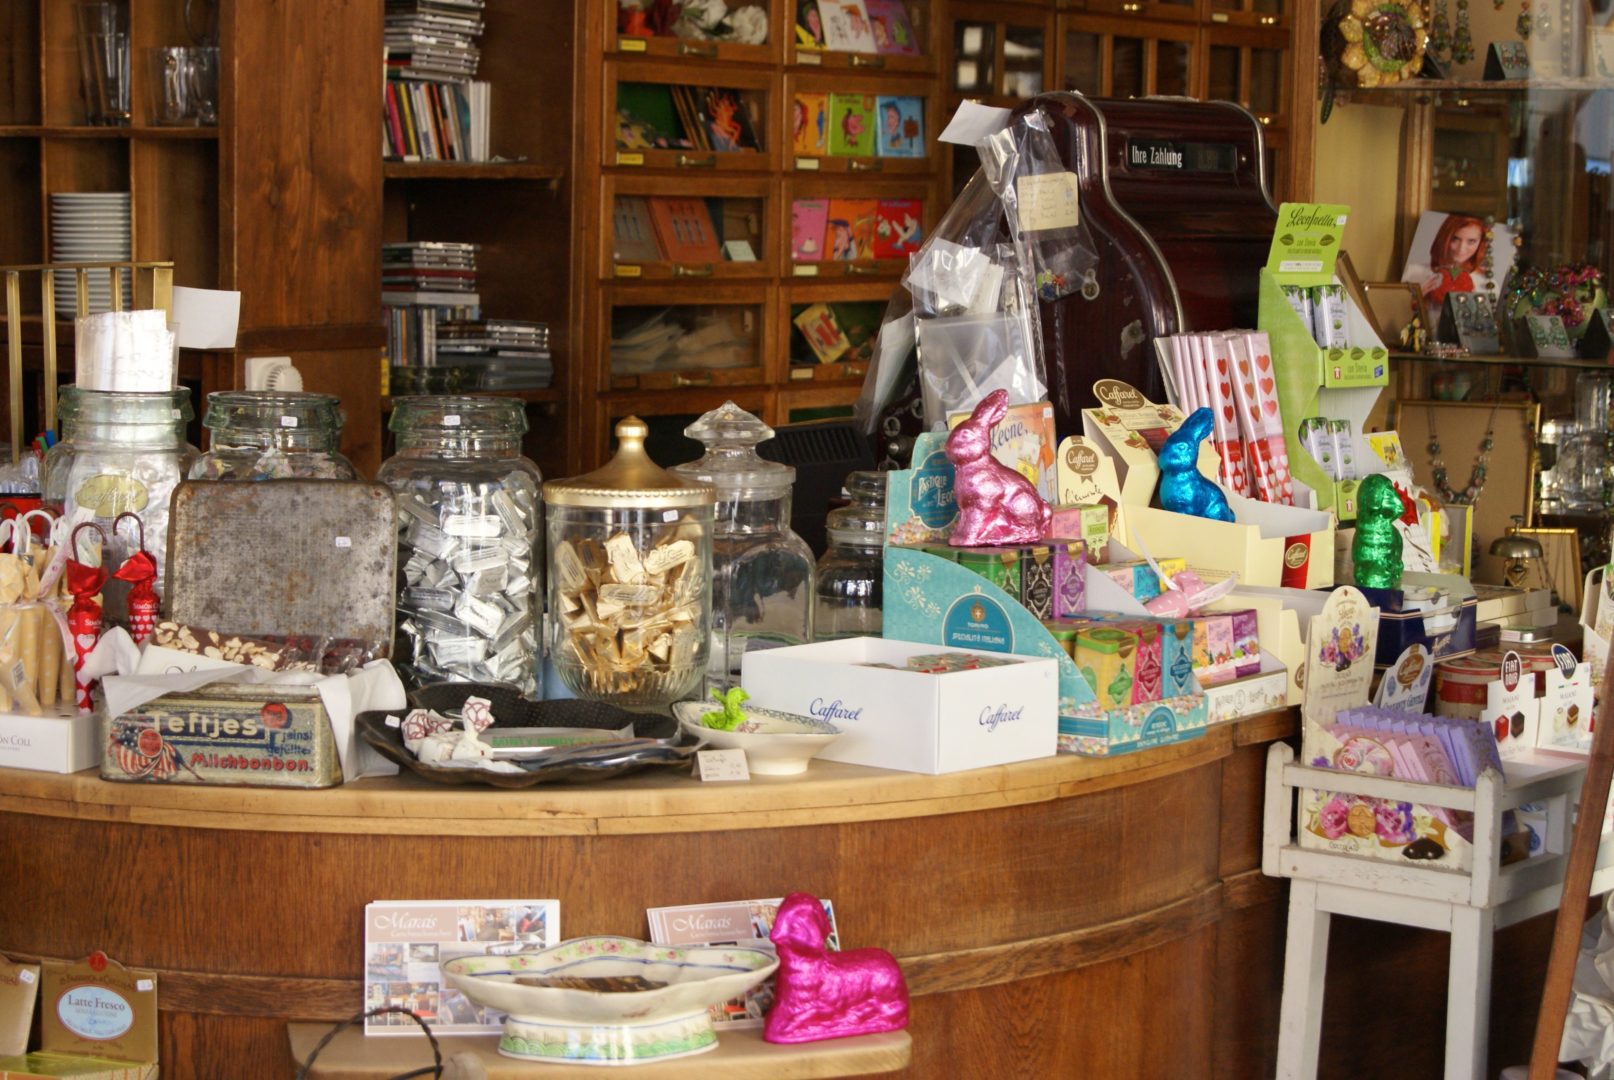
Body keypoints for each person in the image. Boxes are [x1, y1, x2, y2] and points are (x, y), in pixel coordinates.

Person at [1422, 214, 1487, 319]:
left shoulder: (1486, 284)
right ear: (1444, 237)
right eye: (1455, 239)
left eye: (1471, 241)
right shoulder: (1415, 273)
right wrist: (1417, 302)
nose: (1461, 249)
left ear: (1481, 243)